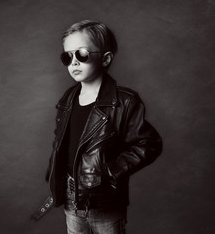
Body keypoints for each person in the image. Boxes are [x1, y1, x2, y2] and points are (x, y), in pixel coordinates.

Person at [31, 20, 163, 234]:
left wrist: (110, 170)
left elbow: (149, 144)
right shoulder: (68, 98)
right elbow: (62, 141)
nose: (74, 62)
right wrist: (56, 174)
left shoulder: (125, 101)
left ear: (106, 58)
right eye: (68, 56)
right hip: (71, 200)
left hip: (105, 202)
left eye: (82, 54)